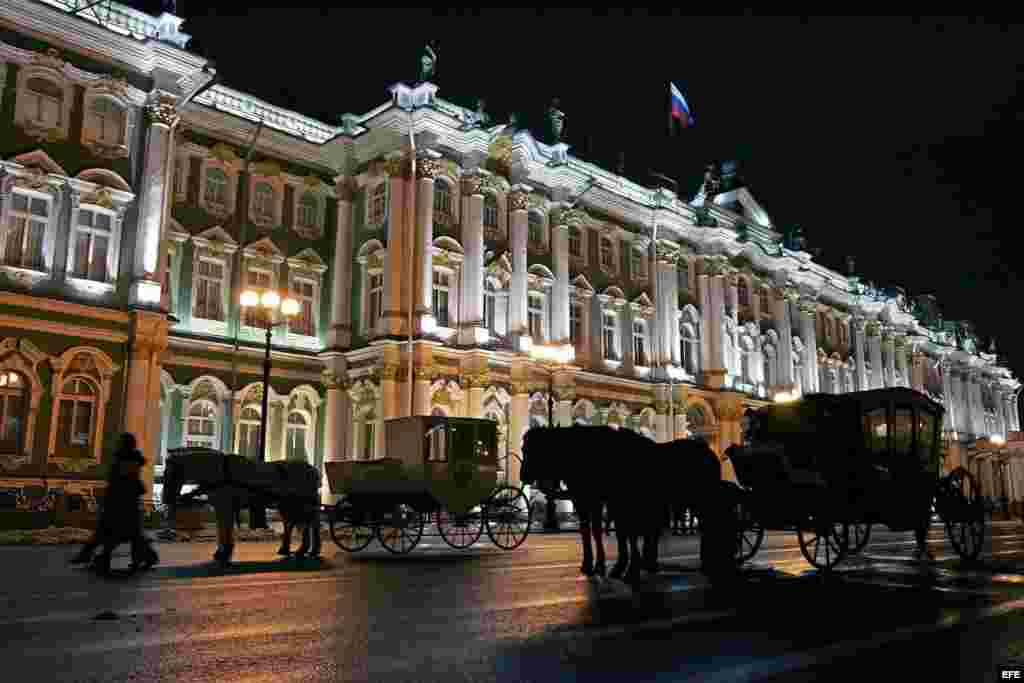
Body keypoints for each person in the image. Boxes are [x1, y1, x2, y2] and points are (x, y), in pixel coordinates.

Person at [70, 434, 159, 574]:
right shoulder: (127, 459)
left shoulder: (127, 461)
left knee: (112, 533)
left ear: (125, 444)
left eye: (120, 442)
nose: (117, 444)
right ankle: (144, 558)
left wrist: (112, 496)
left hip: (122, 504)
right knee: (126, 535)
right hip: (122, 503)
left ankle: (97, 558)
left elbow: (123, 482)